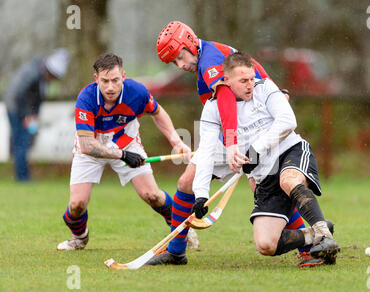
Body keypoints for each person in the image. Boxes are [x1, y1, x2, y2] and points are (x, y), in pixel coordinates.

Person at [147, 21, 312, 266]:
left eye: (180, 56)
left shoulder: (210, 61)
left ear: (190, 43)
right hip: (234, 135)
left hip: (250, 135)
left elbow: (225, 98)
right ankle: (176, 250)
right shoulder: (209, 55)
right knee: (187, 183)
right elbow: (254, 67)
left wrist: (233, 144)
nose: (180, 65)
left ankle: (310, 245)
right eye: (174, 62)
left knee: (265, 191)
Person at [168, 52, 340, 266]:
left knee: (288, 180)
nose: (250, 84)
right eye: (243, 81)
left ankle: (324, 236)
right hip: (263, 177)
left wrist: (256, 149)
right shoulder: (212, 109)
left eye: (251, 78)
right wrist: (201, 196)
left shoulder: (265, 88)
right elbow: (205, 153)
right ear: (227, 80)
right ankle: (314, 233)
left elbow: (288, 121)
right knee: (266, 244)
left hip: (290, 152)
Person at [56, 53, 197, 251]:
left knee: (152, 195)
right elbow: (87, 145)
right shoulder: (86, 98)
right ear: (96, 79)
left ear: (124, 76)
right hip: (92, 146)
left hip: (127, 142)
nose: (110, 87)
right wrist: (122, 156)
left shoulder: (137, 92)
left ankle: (181, 229)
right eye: (104, 81)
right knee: (77, 204)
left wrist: (176, 141)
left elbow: (158, 112)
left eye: (115, 80)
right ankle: (80, 237)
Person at [4, 48, 70, 182]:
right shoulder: (32, 74)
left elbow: (36, 100)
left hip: (23, 110)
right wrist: (26, 116)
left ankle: (22, 176)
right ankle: (22, 179)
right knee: (21, 142)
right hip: (15, 108)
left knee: (24, 141)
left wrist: (34, 115)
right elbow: (19, 95)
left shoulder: (41, 75)